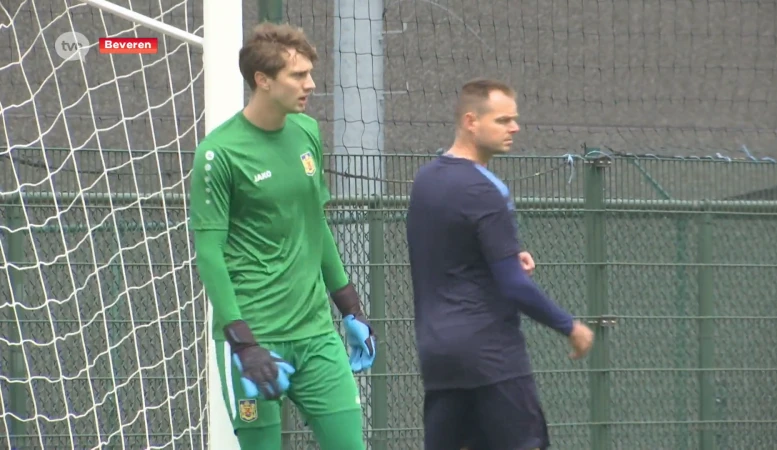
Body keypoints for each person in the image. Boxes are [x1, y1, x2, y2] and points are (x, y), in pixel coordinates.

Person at [189, 22, 376, 450]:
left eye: (310, 73)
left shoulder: (307, 131)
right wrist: (243, 342)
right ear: (263, 80)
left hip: (316, 334)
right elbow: (210, 254)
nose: (310, 84)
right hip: (256, 339)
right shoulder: (219, 154)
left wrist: (350, 307)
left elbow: (315, 223)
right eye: (298, 75)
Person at [405, 78, 595, 450]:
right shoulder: (485, 190)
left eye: (514, 119)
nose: (515, 128)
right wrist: (569, 325)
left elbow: (449, 255)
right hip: (491, 356)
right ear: (471, 121)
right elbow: (514, 285)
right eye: (503, 120)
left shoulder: (425, 181)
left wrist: (504, 257)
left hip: (439, 356)